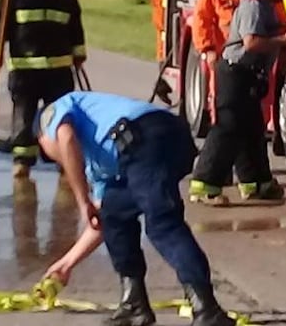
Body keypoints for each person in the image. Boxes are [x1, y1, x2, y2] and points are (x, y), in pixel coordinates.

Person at [35, 91, 234, 326]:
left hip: (148, 135)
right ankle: (134, 304)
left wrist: (82, 201)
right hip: (162, 142)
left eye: (48, 152)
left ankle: (207, 309)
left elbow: (65, 138)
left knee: (162, 224)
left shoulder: (51, 113)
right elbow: (98, 222)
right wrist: (67, 264)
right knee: (114, 214)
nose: (57, 159)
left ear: (42, 137)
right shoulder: (97, 164)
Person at [189, 0, 286, 206]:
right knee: (228, 128)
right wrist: (284, 40)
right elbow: (251, 43)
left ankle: (256, 183)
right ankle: (204, 184)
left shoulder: (266, 5)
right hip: (235, 73)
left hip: (250, 75)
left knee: (252, 130)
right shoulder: (253, 4)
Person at [0, 0, 86, 179]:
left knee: (60, 116)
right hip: (24, 67)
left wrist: (79, 50)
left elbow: (74, 19)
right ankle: (23, 160)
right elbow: (1, 21)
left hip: (59, 66)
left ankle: (63, 160)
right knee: (24, 114)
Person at [150, 0, 173, 105]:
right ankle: (161, 83)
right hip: (164, 18)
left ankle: (162, 83)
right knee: (163, 52)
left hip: (160, 17)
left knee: (162, 51)